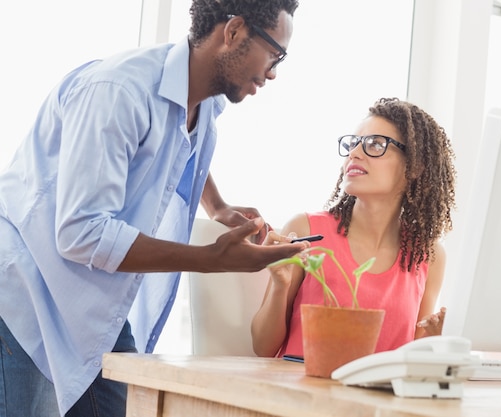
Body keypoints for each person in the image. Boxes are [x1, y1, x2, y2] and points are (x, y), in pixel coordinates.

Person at [0, 1, 307, 416]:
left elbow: (178, 141)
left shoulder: (205, 98)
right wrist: (211, 260)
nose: (272, 73)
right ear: (233, 31)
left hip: (92, 301)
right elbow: (80, 233)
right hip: (26, 288)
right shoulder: (118, 93)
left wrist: (216, 205)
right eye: (274, 53)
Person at [251, 97, 456, 358]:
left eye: (375, 144)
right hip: (302, 394)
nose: (355, 153)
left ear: (415, 167)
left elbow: (412, 358)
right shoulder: (305, 231)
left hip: (378, 398)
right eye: (354, 143)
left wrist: (436, 338)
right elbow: (262, 347)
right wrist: (280, 286)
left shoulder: (428, 256)